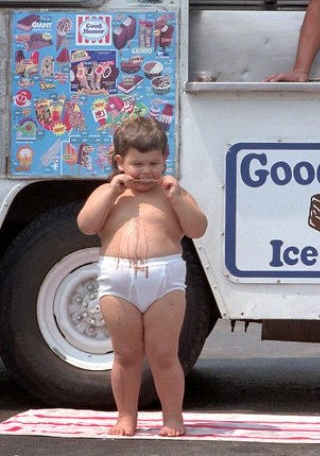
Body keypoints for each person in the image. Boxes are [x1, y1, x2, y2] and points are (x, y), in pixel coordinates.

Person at [77, 116, 207, 437]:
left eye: (154, 163)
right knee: (126, 355)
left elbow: (197, 229)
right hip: (117, 282)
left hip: (165, 283)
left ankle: (172, 417)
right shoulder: (109, 193)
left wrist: (177, 197)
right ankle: (126, 416)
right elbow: (86, 225)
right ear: (120, 162)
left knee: (164, 355)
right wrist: (110, 192)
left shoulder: (171, 193)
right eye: (137, 164)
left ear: (165, 159)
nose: (146, 171)